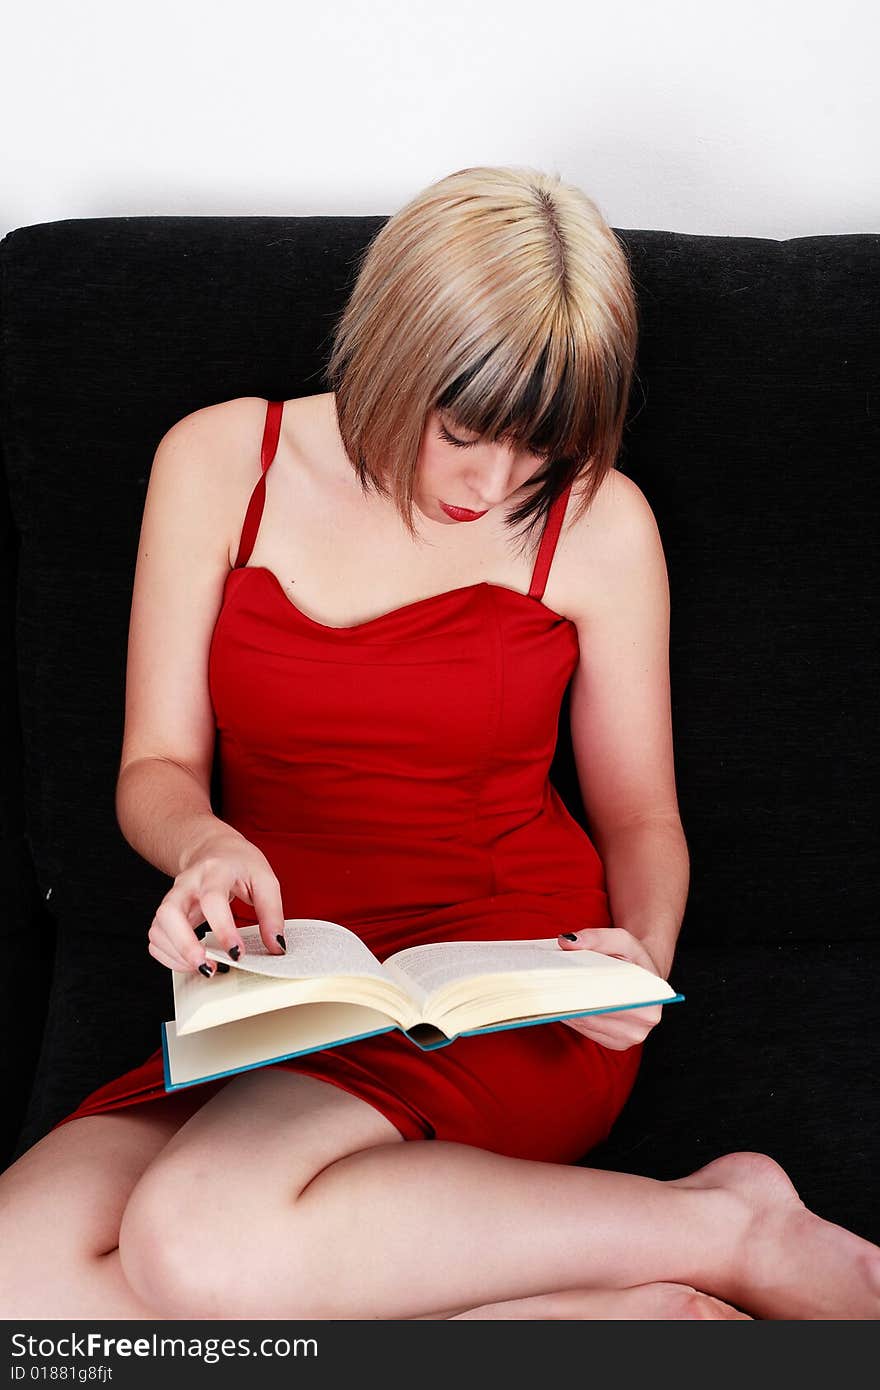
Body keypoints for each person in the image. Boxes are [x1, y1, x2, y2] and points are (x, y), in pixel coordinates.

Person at [1, 165, 878, 1323]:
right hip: (285, 980)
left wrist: (637, 961)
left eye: (541, 454)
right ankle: (592, 1322)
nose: (496, 483)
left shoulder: (601, 523)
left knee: (196, 1244)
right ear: (391, 355)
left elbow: (641, 818)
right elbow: (154, 767)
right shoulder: (220, 463)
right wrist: (204, 847)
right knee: (20, 1277)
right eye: (466, 433)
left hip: (497, 989)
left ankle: (728, 1222)